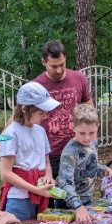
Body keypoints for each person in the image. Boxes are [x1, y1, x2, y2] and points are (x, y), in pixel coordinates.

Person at [0, 81, 61, 224]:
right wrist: (35, 189)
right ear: (25, 109)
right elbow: (6, 173)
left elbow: (46, 163)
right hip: (19, 200)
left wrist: (49, 178)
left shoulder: (40, 131)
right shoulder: (11, 132)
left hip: (39, 197)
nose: (45, 115)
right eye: (40, 111)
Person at [56, 104, 112, 224]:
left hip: (86, 202)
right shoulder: (69, 151)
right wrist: (77, 206)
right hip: (68, 204)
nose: (87, 138)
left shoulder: (92, 143)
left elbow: (91, 165)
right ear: (73, 127)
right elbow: (64, 183)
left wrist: (106, 169)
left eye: (92, 132)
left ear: (98, 126)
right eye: (82, 133)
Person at [33, 40, 93, 183]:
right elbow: (20, 115)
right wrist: (2, 138)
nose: (59, 70)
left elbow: (89, 110)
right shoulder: (37, 85)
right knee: (51, 199)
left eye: (62, 65)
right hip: (50, 154)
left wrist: (91, 136)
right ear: (43, 62)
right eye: (54, 66)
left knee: (74, 197)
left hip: (77, 150)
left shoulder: (79, 78)